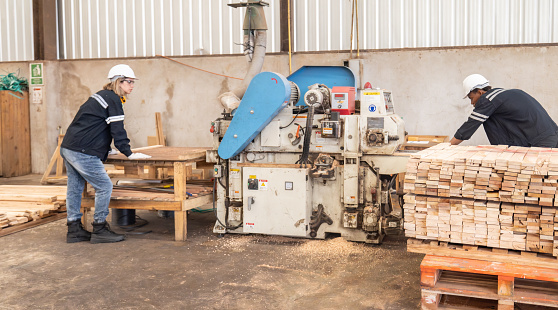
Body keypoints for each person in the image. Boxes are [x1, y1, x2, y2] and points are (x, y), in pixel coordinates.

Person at [60, 64, 151, 244]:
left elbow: (95, 126)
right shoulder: (114, 99)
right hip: (82, 151)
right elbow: (117, 130)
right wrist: (128, 153)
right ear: (119, 81)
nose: (132, 86)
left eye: (133, 82)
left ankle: (74, 229)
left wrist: (107, 149)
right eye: (129, 82)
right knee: (105, 187)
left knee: (75, 187)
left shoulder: (101, 97)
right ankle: (100, 228)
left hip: (70, 147)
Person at [450, 74, 558, 147]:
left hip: (540, 142)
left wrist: (448, 146)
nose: (472, 103)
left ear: (480, 92)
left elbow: (470, 126)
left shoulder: (487, 99)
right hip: (552, 136)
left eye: (471, 98)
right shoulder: (508, 94)